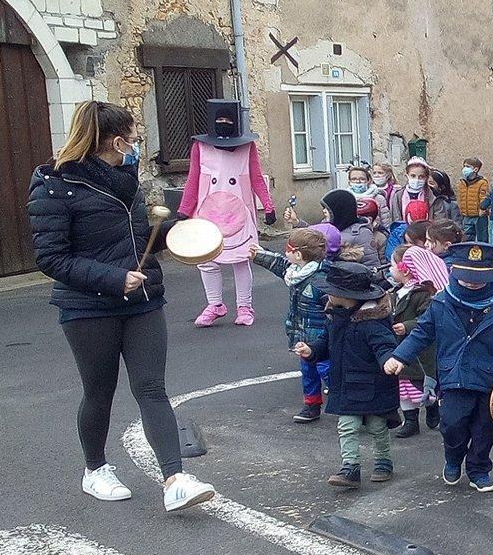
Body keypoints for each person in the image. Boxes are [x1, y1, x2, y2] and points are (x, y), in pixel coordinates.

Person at [27, 100, 215, 512]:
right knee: (99, 391)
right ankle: (95, 469)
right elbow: (51, 258)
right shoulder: (53, 185)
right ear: (115, 140)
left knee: (152, 388)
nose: (134, 146)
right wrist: (114, 279)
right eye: (131, 138)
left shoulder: (124, 177)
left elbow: (130, 238)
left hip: (142, 300)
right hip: (87, 306)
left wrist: (175, 232)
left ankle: (175, 479)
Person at [384, 242, 493, 492]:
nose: (472, 283)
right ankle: (453, 457)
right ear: (455, 274)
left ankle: (479, 470)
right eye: (466, 278)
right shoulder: (441, 303)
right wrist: (400, 357)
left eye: (478, 278)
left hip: (491, 381)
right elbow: (421, 334)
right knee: (452, 424)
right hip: (454, 376)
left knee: (485, 429)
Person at [293, 262, 399, 488]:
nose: (327, 294)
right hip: (346, 384)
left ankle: (383, 461)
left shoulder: (373, 322)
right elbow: (326, 341)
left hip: (372, 385)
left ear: (347, 296)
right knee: (347, 426)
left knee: (376, 426)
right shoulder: (335, 316)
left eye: (332, 291)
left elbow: (384, 346)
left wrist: (388, 361)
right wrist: (311, 350)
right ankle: (350, 468)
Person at [177, 99, 276, 328]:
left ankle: (244, 306)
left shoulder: (247, 147)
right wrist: (184, 210)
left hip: (239, 212)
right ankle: (215, 304)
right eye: (219, 120)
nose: (223, 123)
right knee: (207, 261)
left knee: (241, 260)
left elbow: (256, 177)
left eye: (227, 120)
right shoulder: (200, 147)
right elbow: (193, 179)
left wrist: (268, 206)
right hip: (208, 212)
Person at [250, 229, 330, 424]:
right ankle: (311, 405)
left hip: (321, 338)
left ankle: (351, 404)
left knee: (326, 370)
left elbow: (333, 309)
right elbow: (280, 264)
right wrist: (259, 254)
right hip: (302, 335)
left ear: (299, 255)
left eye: (288, 248)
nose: (285, 252)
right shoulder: (296, 272)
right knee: (308, 372)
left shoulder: (321, 280)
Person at [389, 245, 448, 437]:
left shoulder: (422, 294)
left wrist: (407, 326)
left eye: (392, 266)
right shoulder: (397, 292)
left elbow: (427, 319)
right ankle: (411, 421)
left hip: (421, 352)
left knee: (423, 384)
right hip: (401, 347)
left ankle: (433, 412)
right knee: (404, 386)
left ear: (404, 269)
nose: (389, 270)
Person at [284, 189, 380, 269]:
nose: (324, 211)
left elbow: (371, 264)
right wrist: (296, 222)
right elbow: (312, 237)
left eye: (327, 208)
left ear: (340, 210)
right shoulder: (327, 225)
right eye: (323, 207)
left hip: (350, 282)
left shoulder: (362, 233)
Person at [390, 157, 449, 223]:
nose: (417, 179)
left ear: (426, 178)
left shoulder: (434, 196)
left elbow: (439, 221)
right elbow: (396, 220)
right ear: (407, 176)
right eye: (413, 176)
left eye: (421, 176)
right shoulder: (398, 196)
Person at [457, 157, 489, 242]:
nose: (464, 169)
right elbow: (461, 198)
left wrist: (483, 209)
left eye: (467, 166)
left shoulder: (482, 182)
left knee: (481, 238)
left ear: (475, 169)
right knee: (467, 238)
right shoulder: (462, 183)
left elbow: (483, 197)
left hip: (479, 216)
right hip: (466, 215)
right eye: (464, 166)